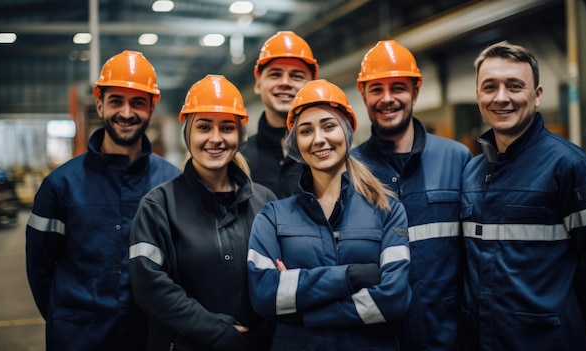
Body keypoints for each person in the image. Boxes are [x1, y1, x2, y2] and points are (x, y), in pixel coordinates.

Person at [460, 40, 586, 350]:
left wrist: (557, 315)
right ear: (478, 95)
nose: (501, 97)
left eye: (515, 86)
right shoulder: (471, 172)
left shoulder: (571, 167)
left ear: (537, 95)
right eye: (489, 87)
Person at [25, 50, 181, 351]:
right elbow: (39, 268)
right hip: (78, 338)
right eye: (116, 101)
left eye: (137, 102)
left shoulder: (172, 184)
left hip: (147, 336)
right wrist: (66, 320)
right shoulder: (61, 185)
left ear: (151, 108)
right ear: (99, 104)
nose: (126, 112)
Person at [247, 79, 412, 350]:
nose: (319, 139)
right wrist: (350, 277)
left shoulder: (387, 210)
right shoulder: (273, 217)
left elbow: (393, 300)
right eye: (306, 131)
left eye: (328, 126)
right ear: (295, 143)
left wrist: (302, 308)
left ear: (347, 132)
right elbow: (265, 295)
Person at [129, 74, 277, 351]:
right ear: (188, 133)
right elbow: (149, 285)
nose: (216, 138)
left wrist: (263, 333)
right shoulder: (158, 205)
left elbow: (278, 277)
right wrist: (218, 332)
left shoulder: (264, 201)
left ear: (239, 135)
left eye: (227, 128)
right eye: (204, 127)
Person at [351, 39, 471, 351]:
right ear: (362, 93)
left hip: (446, 334)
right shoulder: (349, 170)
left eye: (398, 87)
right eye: (376, 89)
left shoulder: (457, 158)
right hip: (376, 336)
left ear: (415, 91)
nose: (387, 98)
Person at [242, 31, 318, 198]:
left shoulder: (327, 155)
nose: (285, 83)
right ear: (258, 82)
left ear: (311, 85)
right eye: (275, 74)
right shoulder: (239, 160)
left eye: (296, 76)